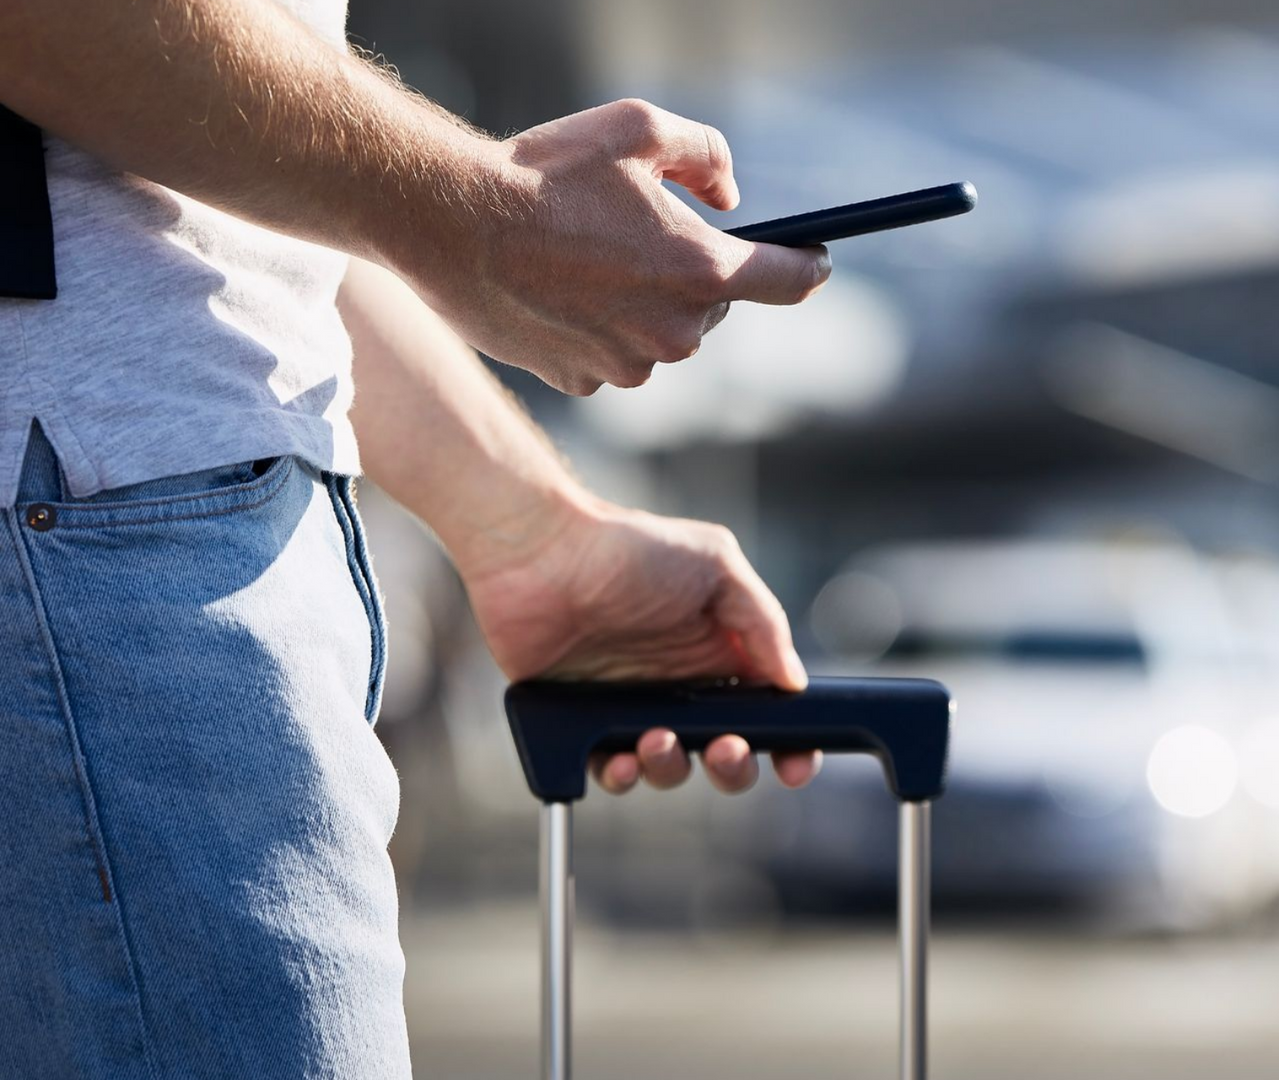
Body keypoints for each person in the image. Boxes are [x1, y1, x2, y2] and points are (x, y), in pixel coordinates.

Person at [0, 0, 834, 1075]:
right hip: (87, 518)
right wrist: (481, 213)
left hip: (101, 501)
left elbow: (211, 202)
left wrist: (527, 525)